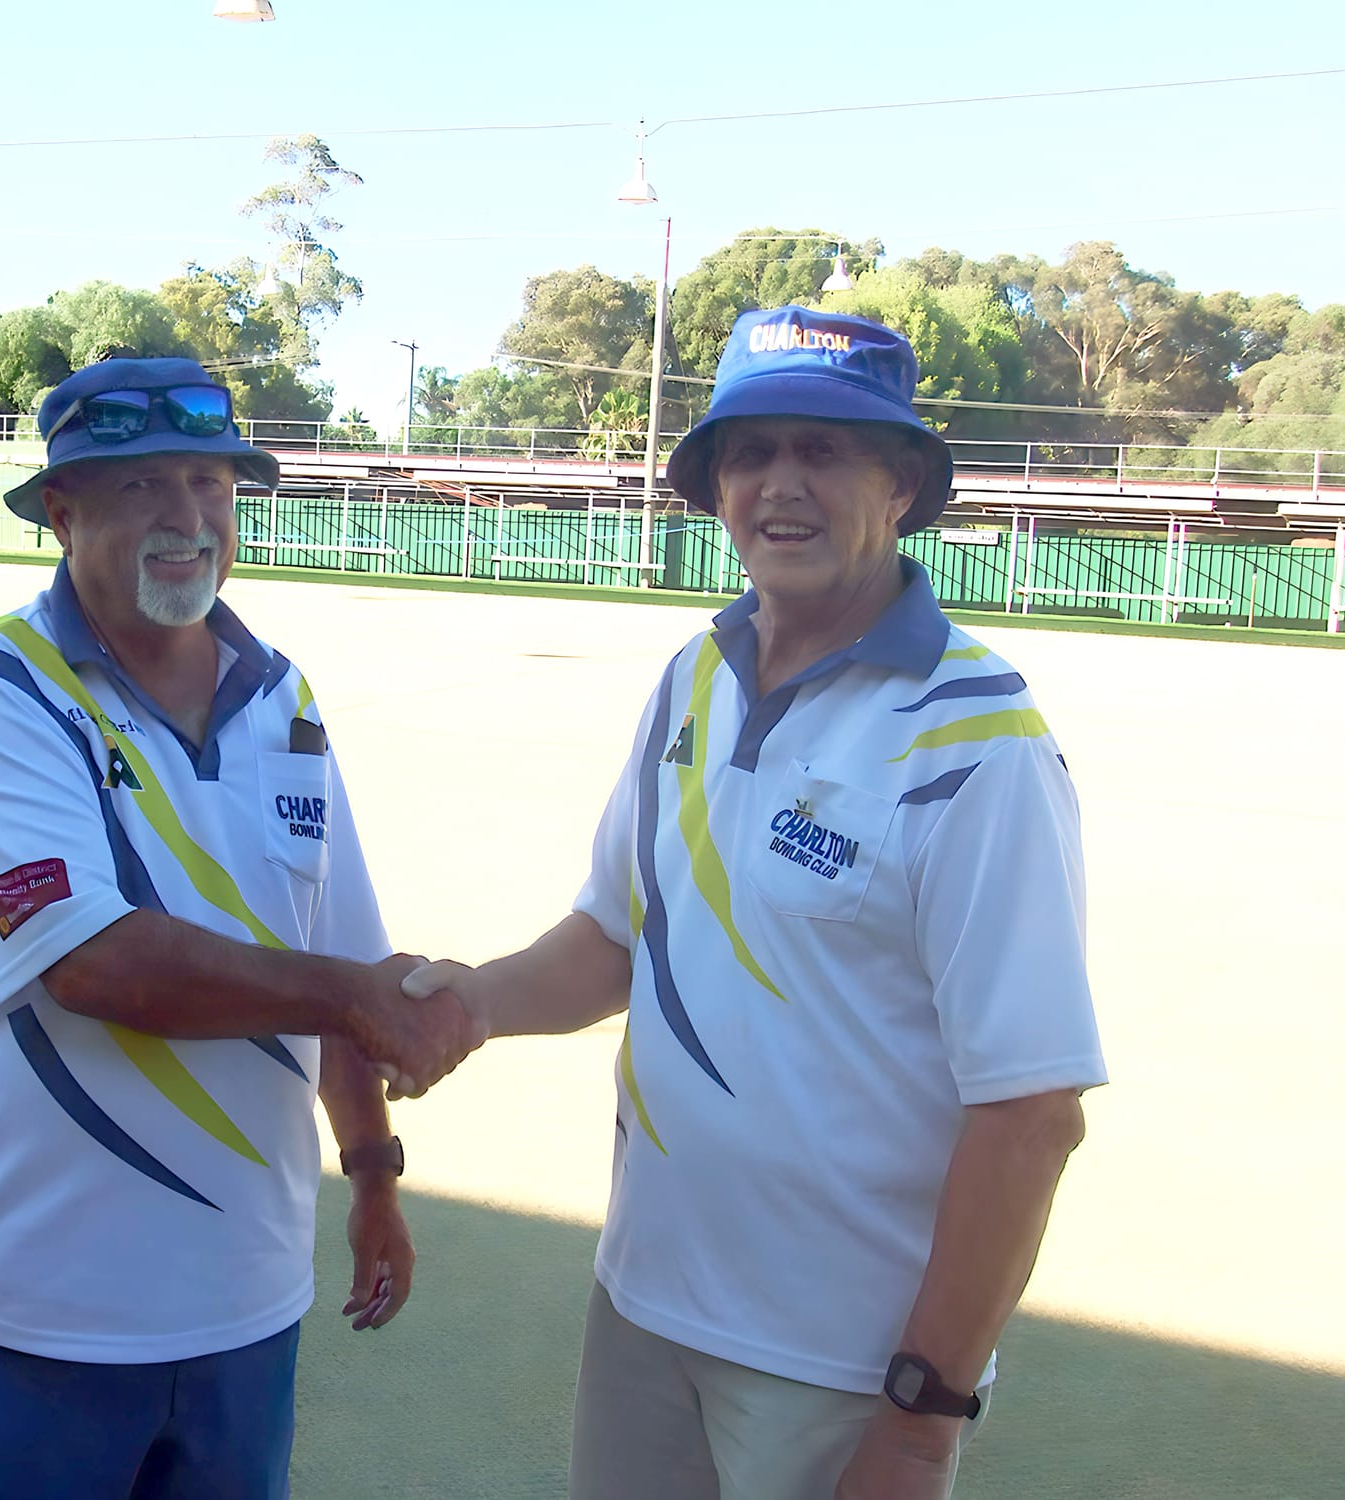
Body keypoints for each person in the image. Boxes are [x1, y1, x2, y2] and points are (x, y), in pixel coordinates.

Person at [400, 308, 1107, 1500]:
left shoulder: (979, 741)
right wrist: (466, 1002)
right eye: (749, 452)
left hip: (838, 1367)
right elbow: (614, 939)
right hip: (643, 1304)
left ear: (899, 485)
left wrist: (919, 1422)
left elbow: (1030, 1114)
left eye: (823, 450)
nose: (779, 483)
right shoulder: (693, 676)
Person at [0, 356, 483, 1499]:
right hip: (38, 1312)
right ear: (61, 512)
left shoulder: (283, 699)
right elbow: (92, 963)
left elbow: (335, 953)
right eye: (139, 485)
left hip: (246, 1308)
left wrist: (372, 1175)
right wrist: (351, 996)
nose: (186, 517)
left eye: (209, 483)